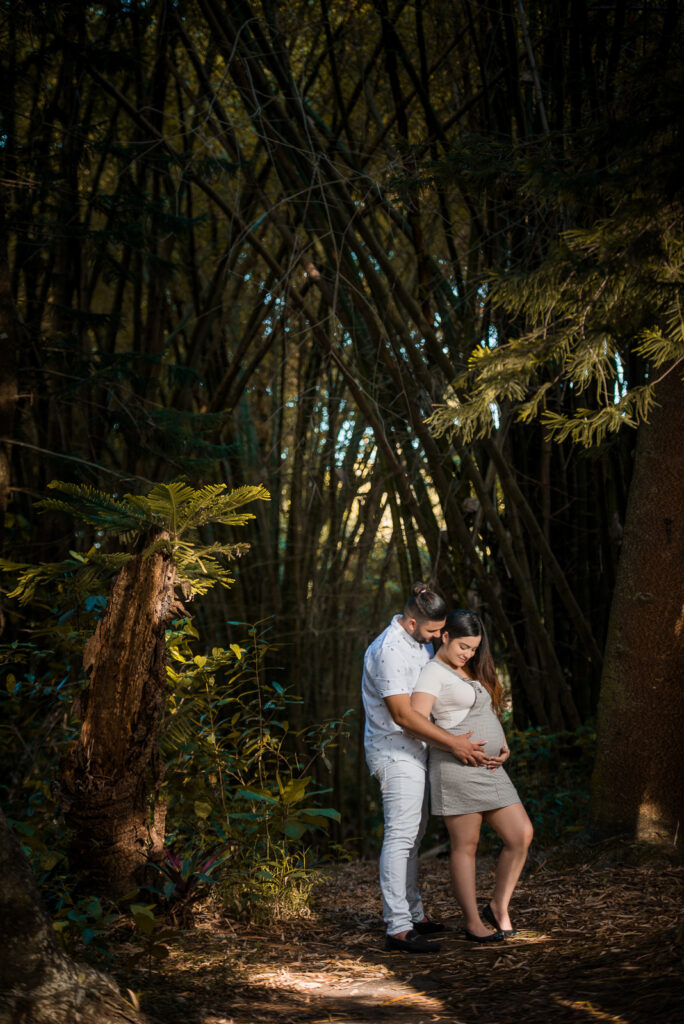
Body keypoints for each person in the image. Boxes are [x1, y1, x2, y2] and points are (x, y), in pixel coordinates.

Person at [362, 584, 492, 954]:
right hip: (394, 752)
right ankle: (398, 928)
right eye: (435, 632)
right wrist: (454, 743)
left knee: (414, 836)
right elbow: (403, 716)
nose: (439, 638)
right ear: (413, 621)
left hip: (418, 751)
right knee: (401, 836)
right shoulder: (388, 650)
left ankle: (414, 915)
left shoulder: (417, 643)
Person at [411, 609, 533, 943]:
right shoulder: (432, 673)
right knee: (466, 845)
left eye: (474, 648)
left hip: (491, 767)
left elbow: (488, 712)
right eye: (463, 645)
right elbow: (417, 719)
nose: (468, 653)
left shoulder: (468, 669)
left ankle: (498, 907)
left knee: (521, 834)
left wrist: (503, 742)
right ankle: (472, 923)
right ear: (445, 636)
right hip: (457, 766)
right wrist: (454, 746)